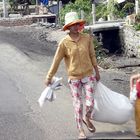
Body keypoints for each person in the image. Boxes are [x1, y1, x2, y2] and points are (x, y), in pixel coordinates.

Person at [44, 11, 100, 140]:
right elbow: (56, 60)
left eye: (77, 24)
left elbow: (92, 55)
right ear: (68, 27)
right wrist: (49, 76)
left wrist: (97, 72)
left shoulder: (87, 38)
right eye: (73, 25)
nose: (76, 26)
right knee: (77, 104)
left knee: (90, 103)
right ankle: (80, 129)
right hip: (74, 78)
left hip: (88, 75)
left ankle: (87, 117)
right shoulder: (64, 43)